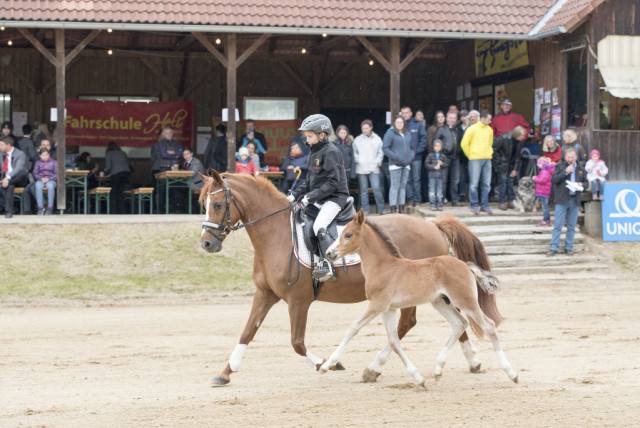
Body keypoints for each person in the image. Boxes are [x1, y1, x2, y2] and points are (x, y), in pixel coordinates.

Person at [287, 114, 350, 282]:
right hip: (321, 197)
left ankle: (327, 264)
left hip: (336, 197)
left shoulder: (331, 152)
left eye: (309, 136)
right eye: (306, 136)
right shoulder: (314, 152)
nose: (306, 140)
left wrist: (310, 197)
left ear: (321, 135)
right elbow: (309, 180)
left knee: (319, 225)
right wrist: (294, 195)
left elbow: (333, 182)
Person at [547, 148, 588, 257]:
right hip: (562, 200)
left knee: (571, 226)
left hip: (574, 200)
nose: (570, 159)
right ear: (565, 157)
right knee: (558, 225)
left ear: (576, 157)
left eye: (572, 157)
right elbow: (554, 180)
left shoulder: (580, 169)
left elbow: (586, 183)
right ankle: (553, 247)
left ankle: (568, 247)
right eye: (568, 157)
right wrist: (566, 172)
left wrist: (581, 185)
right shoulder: (560, 166)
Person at [460, 110, 494, 215]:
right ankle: (474, 205)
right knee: (474, 184)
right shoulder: (472, 128)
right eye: (489, 119)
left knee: (486, 184)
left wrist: (490, 152)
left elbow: (490, 143)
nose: (490, 121)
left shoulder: (490, 130)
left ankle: (485, 206)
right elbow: (464, 143)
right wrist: (470, 155)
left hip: (487, 159)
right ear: (483, 118)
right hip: (475, 159)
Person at [383, 115, 414, 214]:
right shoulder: (390, 133)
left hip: (406, 164)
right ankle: (393, 208)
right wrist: (395, 157)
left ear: (404, 123)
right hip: (395, 165)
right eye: (398, 122)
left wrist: (411, 157)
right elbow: (385, 148)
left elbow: (412, 147)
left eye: (401, 122)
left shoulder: (408, 133)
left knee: (403, 186)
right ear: (394, 124)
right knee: (394, 186)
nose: (400, 124)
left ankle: (401, 208)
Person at [352, 119, 385, 215]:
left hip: (373, 168)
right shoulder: (357, 139)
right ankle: (365, 210)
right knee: (363, 190)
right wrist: (359, 160)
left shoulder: (377, 139)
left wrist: (377, 162)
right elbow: (354, 152)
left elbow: (381, 152)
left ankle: (381, 209)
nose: (365, 130)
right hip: (361, 168)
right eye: (363, 128)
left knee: (376, 188)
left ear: (371, 128)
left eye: (366, 128)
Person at [492, 125, 526, 210]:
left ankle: (511, 201)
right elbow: (494, 148)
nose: (523, 137)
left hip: (512, 163)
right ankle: (502, 202)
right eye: (521, 135)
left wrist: (515, 169)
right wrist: (499, 161)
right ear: (516, 134)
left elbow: (518, 156)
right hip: (502, 163)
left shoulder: (521, 141)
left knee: (510, 182)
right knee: (503, 182)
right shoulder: (504, 138)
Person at [400, 106, 427, 207]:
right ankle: (410, 200)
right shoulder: (399, 125)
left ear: (411, 113)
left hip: (416, 158)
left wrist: (416, 152)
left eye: (407, 112)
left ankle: (418, 200)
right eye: (403, 113)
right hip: (404, 158)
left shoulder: (418, 124)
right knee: (407, 180)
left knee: (416, 179)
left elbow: (423, 139)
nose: (405, 114)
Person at [151, 127, 182, 212]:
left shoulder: (177, 143)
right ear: (163, 134)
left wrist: (171, 154)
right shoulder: (159, 143)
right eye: (167, 133)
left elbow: (180, 154)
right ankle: (160, 210)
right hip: (163, 168)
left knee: (175, 189)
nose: (169, 135)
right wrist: (174, 155)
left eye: (171, 133)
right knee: (162, 190)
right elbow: (164, 155)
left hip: (174, 169)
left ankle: (175, 210)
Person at [434, 112, 462, 206]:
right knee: (443, 180)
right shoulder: (441, 129)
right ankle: (441, 200)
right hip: (444, 158)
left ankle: (454, 200)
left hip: (456, 158)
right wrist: (438, 157)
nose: (452, 120)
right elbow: (435, 143)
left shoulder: (458, 129)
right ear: (446, 118)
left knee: (455, 180)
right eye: (450, 118)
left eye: (454, 118)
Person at [0, 137, 29, 218]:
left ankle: (9, 209)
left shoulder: (20, 154)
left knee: (23, 172)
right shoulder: (1, 154)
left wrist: (8, 178)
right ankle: (9, 211)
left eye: (1, 145)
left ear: (8, 145)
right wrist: (6, 179)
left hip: (19, 178)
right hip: (8, 181)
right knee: (10, 186)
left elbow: (18, 169)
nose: (0, 147)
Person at [105, 141, 131, 214]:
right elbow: (128, 164)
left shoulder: (109, 154)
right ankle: (122, 211)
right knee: (120, 192)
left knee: (113, 193)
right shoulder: (123, 153)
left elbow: (108, 167)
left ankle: (113, 211)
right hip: (126, 173)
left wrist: (106, 172)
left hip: (116, 174)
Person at [424, 139, 450, 211]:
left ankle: (439, 204)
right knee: (432, 190)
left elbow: (447, 164)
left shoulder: (443, 156)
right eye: (436, 146)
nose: (437, 148)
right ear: (433, 147)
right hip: (432, 175)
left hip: (440, 176)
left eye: (439, 146)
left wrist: (441, 163)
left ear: (441, 147)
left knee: (439, 191)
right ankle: (432, 204)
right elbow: (426, 164)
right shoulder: (430, 155)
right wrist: (434, 167)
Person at [32, 148, 57, 215]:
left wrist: (49, 178)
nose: (45, 156)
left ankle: (50, 207)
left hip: (51, 180)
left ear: (49, 155)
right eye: (43, 155)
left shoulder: (54, 162)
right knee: (37, 185)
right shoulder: (38, 162)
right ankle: (40, 207)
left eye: (46, 155)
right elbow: (35, 173)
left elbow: (56, 174)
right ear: (40, 156)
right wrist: (41, 178)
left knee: (50, 186)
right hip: (41, 179)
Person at [533, 157, 553, 227]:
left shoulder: (544, 171)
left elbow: (542, 180)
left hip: (543, 193)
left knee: (545, 207)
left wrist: (535, 178)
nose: (538, 165)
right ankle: (547, 220)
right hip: (544, 192)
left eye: (538, 164)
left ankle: (546, 221)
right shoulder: (546, 171)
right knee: (545, 206)